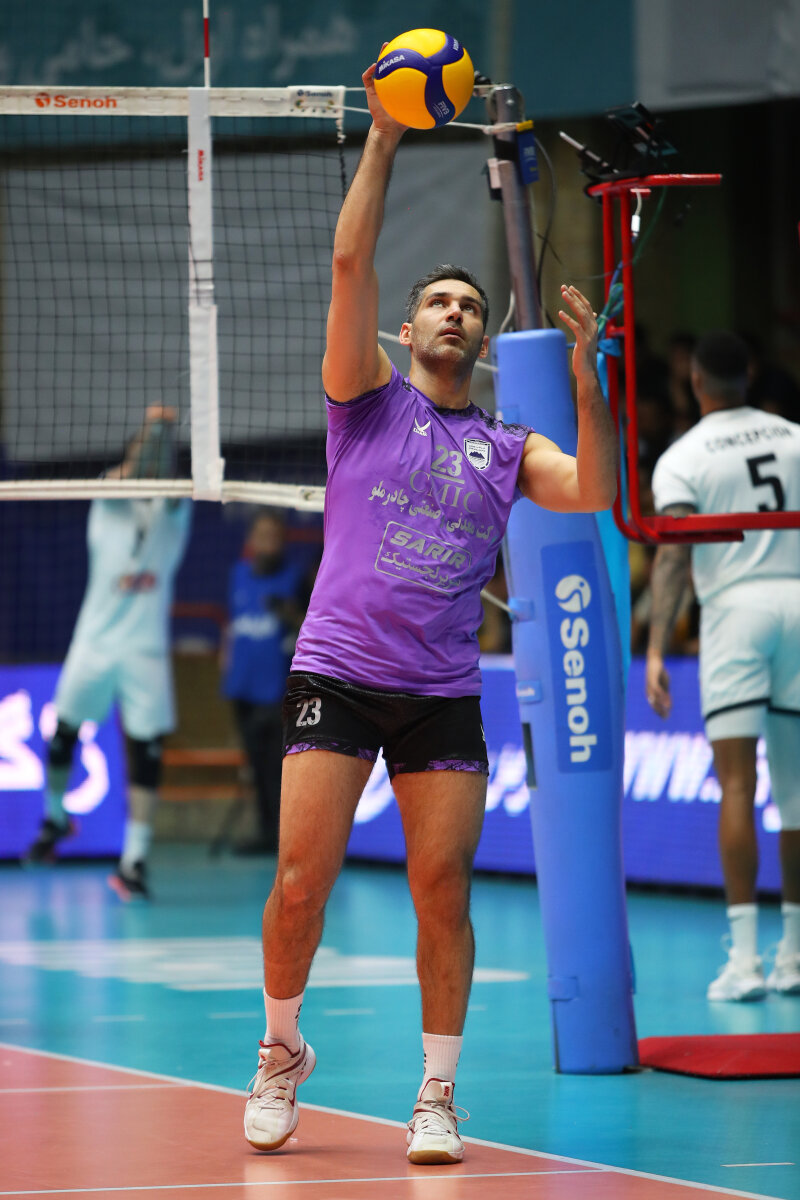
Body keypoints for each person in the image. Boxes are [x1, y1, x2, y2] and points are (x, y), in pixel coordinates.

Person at [243, 56, 617, 1166]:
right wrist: (384, 135)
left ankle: (437, 1094)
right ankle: (279, 1050)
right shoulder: (363, 403)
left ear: (481, 341)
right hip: (337, 671)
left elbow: (594, 492)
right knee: (299, 884)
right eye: (438, 304)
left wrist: (588, 383)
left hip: (440, 692)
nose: (454, 313)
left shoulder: (508, 448)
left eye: (468, 307)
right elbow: (349, 259)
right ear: (406, 332)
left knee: (441, 889)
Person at [645, 331, 800, 1001]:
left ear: (696, 381)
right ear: (752, 373)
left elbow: (674, 556)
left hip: (735, 612)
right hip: (798, 600)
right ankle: (795, 954)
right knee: (797, 794)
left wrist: (656, 647)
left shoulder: (683, 457)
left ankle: (745, 962)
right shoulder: (795, 437)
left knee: (738, 785)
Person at [23, 406, 192, 900]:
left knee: (147, 752)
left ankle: (134, 860)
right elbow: (133, 469)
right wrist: (153, 428)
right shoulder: (108, 499)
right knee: (63, 734)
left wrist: (164, 436)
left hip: (145, 649)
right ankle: (55, 818)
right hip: (95, 641)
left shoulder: (175, 508)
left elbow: (162, 478)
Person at [221, 509, 304, 854]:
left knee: (277, 768)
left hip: (277, 691)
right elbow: (232, 625)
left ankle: (284, 836)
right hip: (242, 686)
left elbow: (309, 627)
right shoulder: (238, 574)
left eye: (274, 535)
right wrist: (226, 668)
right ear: (251, 540)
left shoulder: (295, 578)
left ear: (282, 540)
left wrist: (290, 614)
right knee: (255, 765)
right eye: (262, 535)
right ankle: (265, 832)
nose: (267, 542)